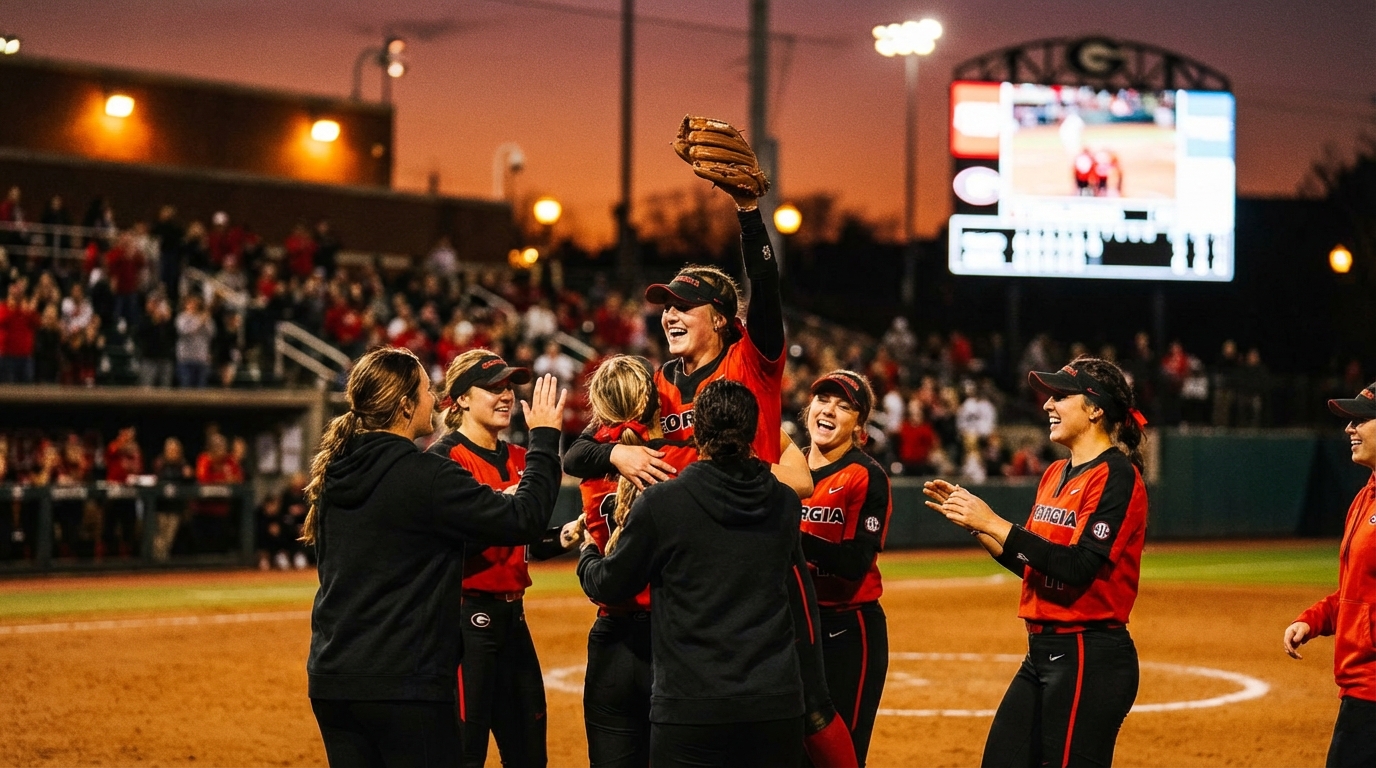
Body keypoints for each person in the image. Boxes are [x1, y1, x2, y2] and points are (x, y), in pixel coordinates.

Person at [306, 347, 566, 767]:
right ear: (406, 405)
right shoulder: (427, 473)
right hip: (402, 682)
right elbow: (523, 518)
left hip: (333, 677)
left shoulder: (335, 470)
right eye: (428, 389)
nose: (435, 398)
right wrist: (545, 440)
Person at [924, 357, 1149, 767]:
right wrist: (977, 526)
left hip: (1089, 656)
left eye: (1062, 396)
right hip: (1042, 654)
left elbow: (1080, 567)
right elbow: (1032, 561)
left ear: (1096, 409)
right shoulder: (1054, 473)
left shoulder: (1118, 475)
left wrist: (995, 521)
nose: (1047, 404)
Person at [579, 380, 805, 767]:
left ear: (696, 432)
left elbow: (609, 585)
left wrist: (586, 552)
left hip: (693, 704)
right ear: (755, 434)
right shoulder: (785, 502)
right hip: (775, 700)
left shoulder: (664, 503)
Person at [425, 349, 582, 768]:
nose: (506, 395)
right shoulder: (444, 460)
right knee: (464, 754)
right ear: (460, 399)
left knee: (530, 753)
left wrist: (564, 536)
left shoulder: (518, 458)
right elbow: (446, 542)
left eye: (509, 386)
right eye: (492, 387)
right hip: (464, 624)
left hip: (514, 622)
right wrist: (501, 501)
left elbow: (521, 536)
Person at [799, 371, 893, 767]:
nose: (829, 410)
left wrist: (789, 535)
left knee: (842, 755)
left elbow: (855, 563)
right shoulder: (783, 468)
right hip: (793, 625)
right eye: (823, 399)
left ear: (859, 424)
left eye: (844, 406)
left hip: (847, 630)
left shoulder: (866, 475)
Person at [1284, 382, 1376, 767]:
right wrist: (1313, 620)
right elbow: (1355, 590)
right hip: (1359, 690)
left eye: (1360, 419)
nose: (1348, 428)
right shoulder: (1363, 498)